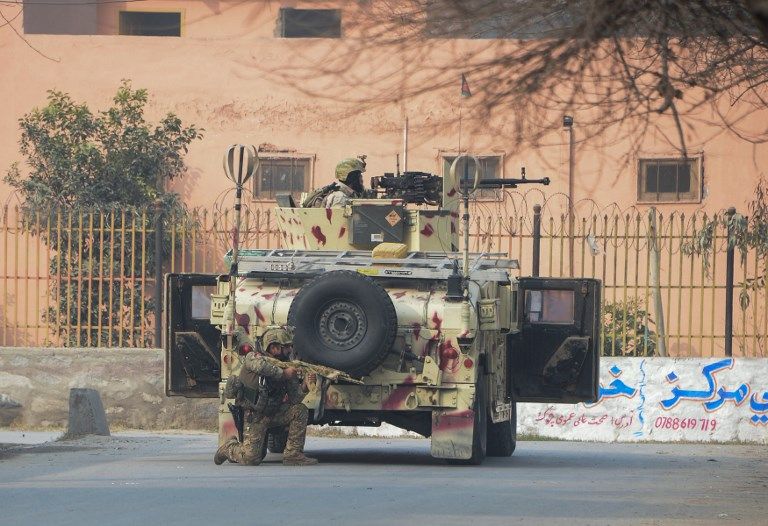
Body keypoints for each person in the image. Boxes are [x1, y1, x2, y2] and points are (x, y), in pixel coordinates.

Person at [214, 327, 318, 466]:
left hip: (274, 413)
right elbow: (260, 367)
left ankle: (293, 454)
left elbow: (295, 398)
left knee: (300, 410)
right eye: (286, 347)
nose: (290, 350)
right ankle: (229, 448)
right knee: (251, 458)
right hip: (255, 416)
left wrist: (305, 385)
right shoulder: (254, 357)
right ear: (274, 347)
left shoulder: (287, 365)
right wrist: (284, 374)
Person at [301, 157, 367, 208]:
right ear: (353, 178)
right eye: (359, 176)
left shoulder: (345, 193)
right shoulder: (340, 197)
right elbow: (340, 223)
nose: (362, 179)